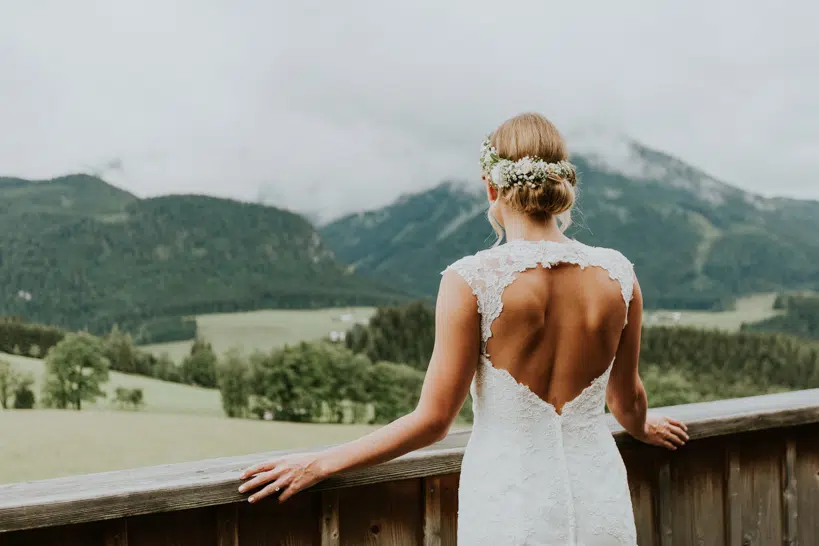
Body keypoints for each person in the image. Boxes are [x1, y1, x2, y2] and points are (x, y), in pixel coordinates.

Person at [239, 112, 688, 545]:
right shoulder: (619, 274)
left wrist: (320, 463)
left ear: (491, 188)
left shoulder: (472, 279)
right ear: (563, 185)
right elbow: (625, 400)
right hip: (598, 502)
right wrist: (644, 427)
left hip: (510, 507)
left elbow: (433, 421)